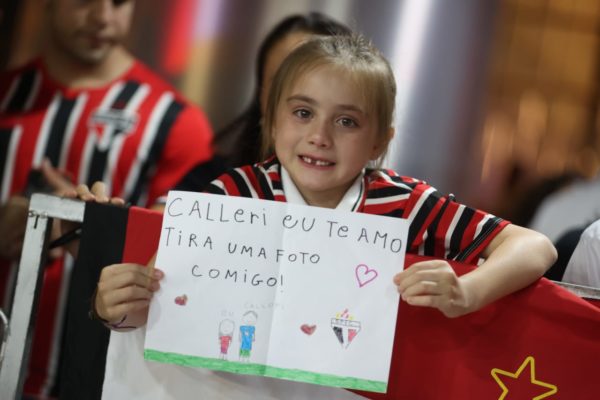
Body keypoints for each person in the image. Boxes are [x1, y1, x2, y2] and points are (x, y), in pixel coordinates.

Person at [84, 34, 556, 399]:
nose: (320, 136)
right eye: (303, 113)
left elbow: (536, 246)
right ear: (272, 121)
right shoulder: (232, 195)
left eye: (347, 121)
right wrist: (118, 308)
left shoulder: (405, 204)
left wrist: (468, 291)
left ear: (379, 142)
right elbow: (154, 306)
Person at [0, 0, 215, 396]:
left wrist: (100, 235)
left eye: (119, 2)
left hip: (89, 380)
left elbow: (184, 264)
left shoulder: (175, 121)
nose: (102, 17)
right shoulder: (8, 93)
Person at [211, 12, 351, 170]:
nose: (299, 102)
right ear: (261, 93)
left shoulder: (378, 191)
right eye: (282, 84)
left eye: (322, 87)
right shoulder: (209, 184)